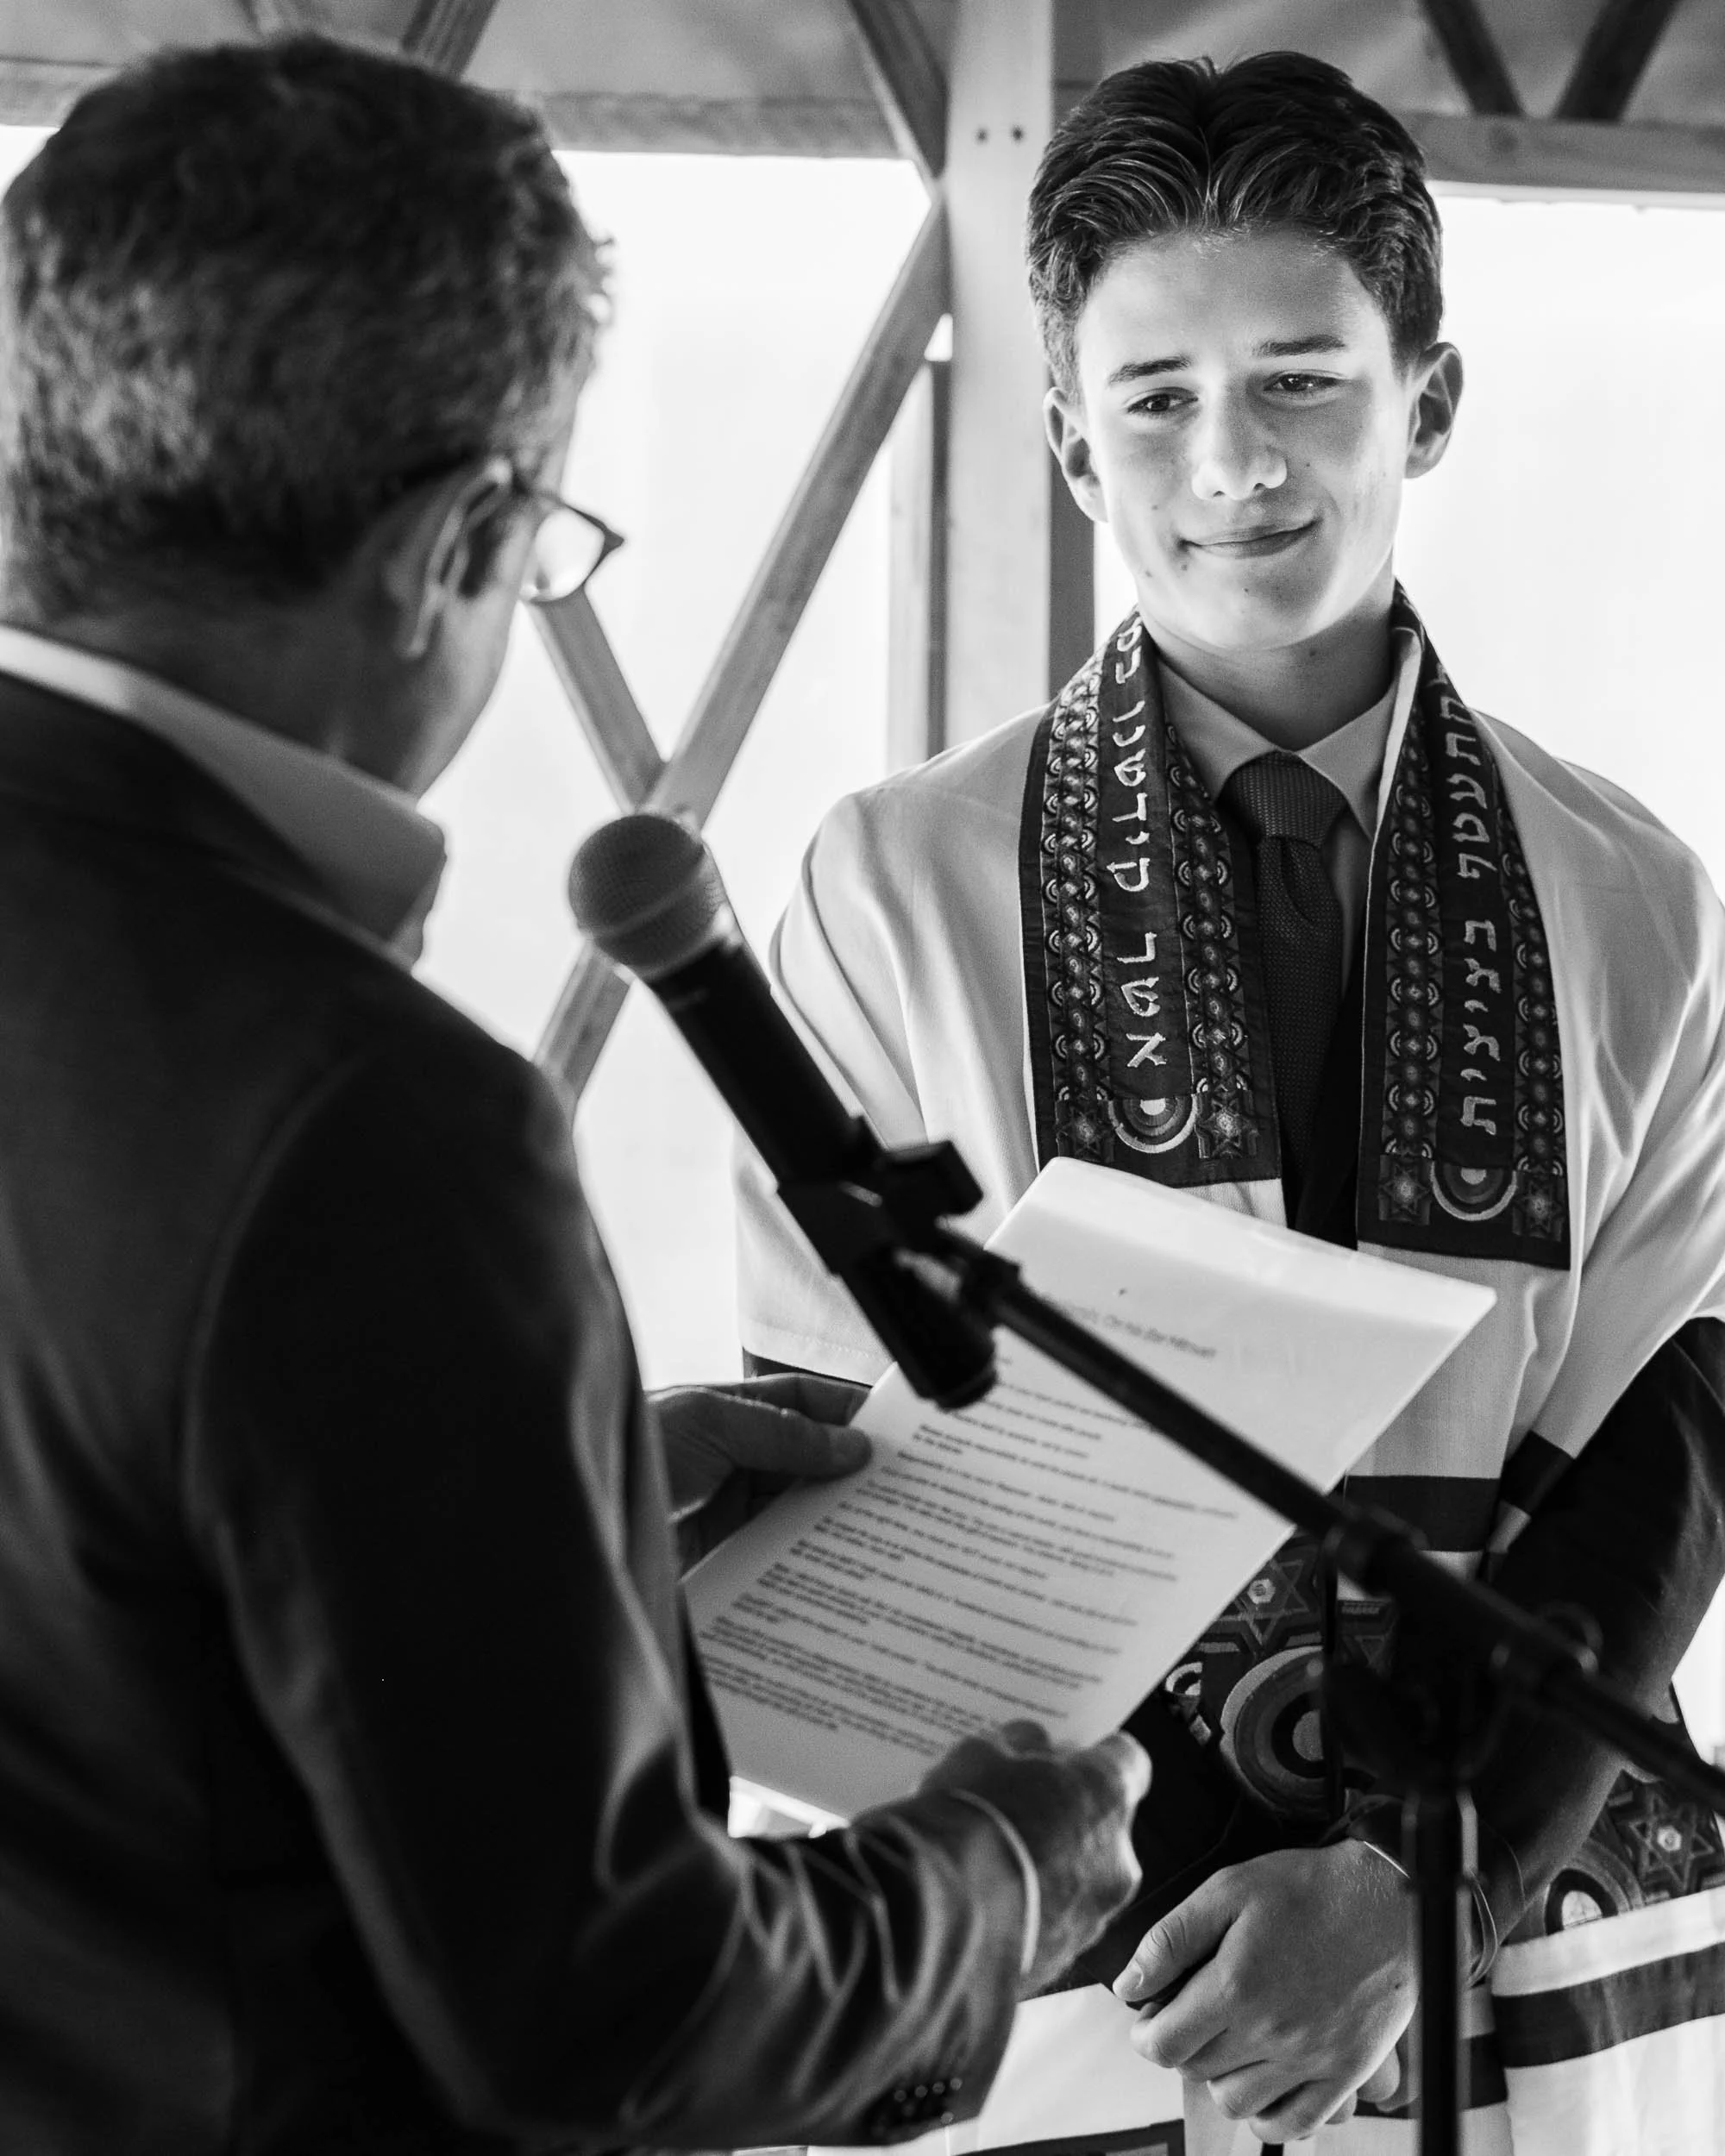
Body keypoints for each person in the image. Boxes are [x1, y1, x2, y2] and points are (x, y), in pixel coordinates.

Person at [0, 35, 1154, 2156]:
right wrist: (993, 1875)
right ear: (454, 539)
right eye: (544, 538)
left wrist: (558, 1496)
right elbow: (613, 2022)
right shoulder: (369, 1123)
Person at [738, 52, 1725, 2154]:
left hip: (1515, 1906)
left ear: (1424, 403)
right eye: (1157, 396)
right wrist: (1223, 1907)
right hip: (1099, 1923)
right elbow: (851, 1437)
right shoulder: (892, 881)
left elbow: (1674, 1430)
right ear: (1068, 437)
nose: (1233, 463)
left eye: (1301, 381)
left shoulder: (1633, 889)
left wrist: (1418, 1890)